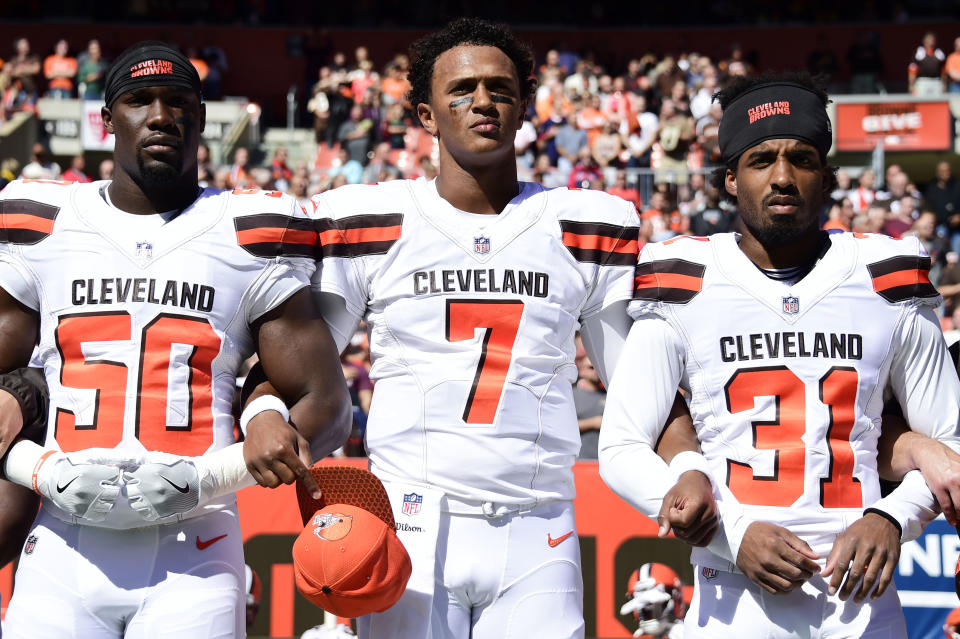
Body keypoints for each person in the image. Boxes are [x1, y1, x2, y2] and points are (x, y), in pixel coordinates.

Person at [288, 18, 641, 639]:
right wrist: (267, 412)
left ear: (526, 106)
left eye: (500, 88)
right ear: (426, 115)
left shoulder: (584, 225)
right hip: (411, 519)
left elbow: (634, 390)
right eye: (462, 89)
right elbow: (308, 374)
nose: (482, 101)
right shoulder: (376, 219)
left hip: (541, 523)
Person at [0, 41, 351, 638]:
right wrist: (33, 451)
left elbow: (327, 405)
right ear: (107, 120)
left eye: (178, 101)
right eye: (139, 100)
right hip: (63, 544)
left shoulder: (250, 231)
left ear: (202, 117)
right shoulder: (43, 221)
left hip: (197, 547)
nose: (161, 116)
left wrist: (215, 472)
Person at [600, 73, 960, 637]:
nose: (783, 177)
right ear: (729, 178)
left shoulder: (885, 274)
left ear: (828, 176)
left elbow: (950, 440)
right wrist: (733, 534)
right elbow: (620, 444)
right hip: (731, 596)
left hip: (861, 598)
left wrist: (894, 516)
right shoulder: (684, 278)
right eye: (762, 159)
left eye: (803, 158)